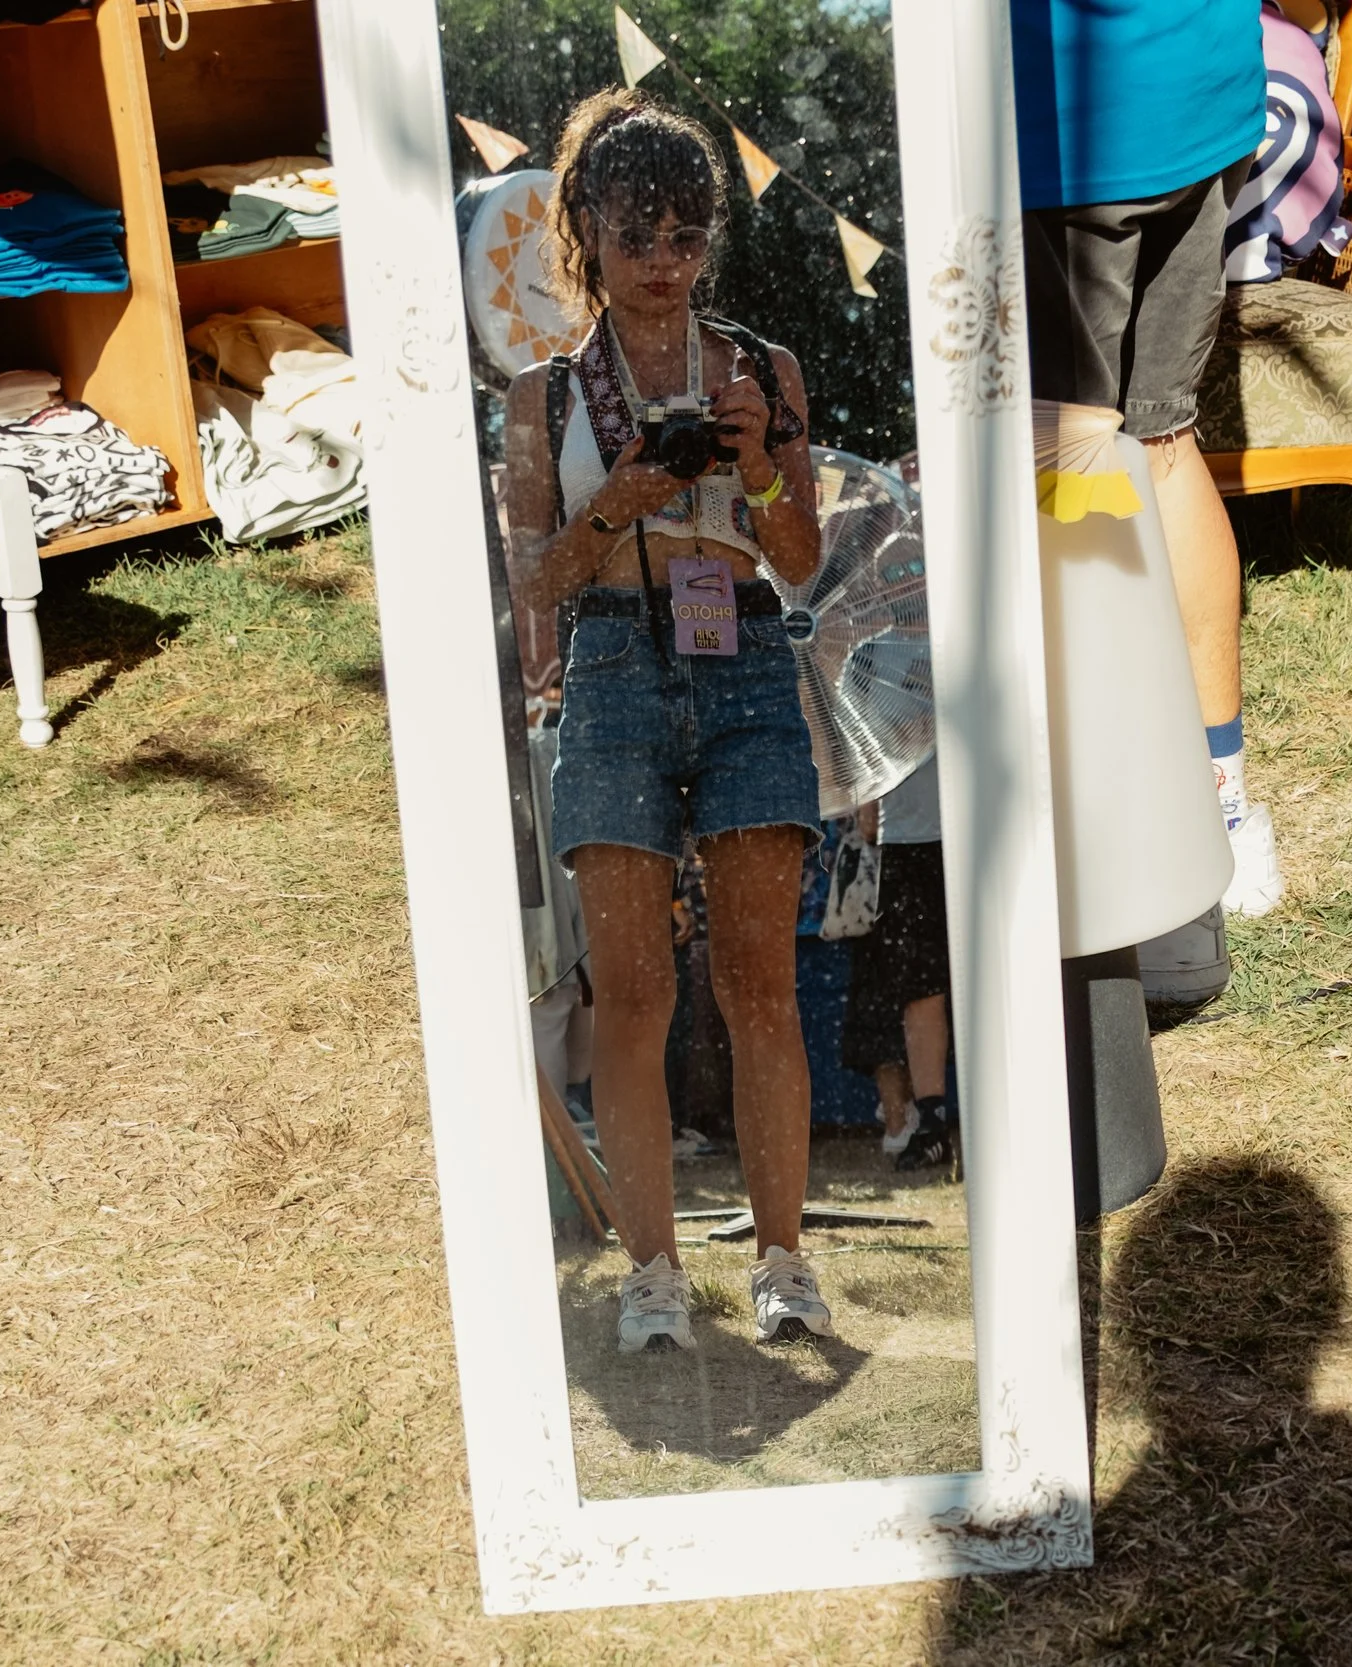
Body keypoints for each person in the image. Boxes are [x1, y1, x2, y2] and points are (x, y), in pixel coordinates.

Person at [504, 89, 834, 1354]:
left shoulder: (764, 369)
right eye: (639, 234)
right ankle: (653, 1271)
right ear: (587, 225)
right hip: (611, 667)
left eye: (688, 236)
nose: (664, 262)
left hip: (745, 657)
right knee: (633, 994)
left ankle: (782, 1260)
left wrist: (752, 465)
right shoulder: (541, 397)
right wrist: (623, 500)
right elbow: (530, 580)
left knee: (762, 985)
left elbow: (799, 559)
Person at [1012, 0, 1279, 963]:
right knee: (1163, 442)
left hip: (1076, 128)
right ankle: (1223, 810)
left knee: (1068, 464)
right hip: (1200, 89)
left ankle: (1121, 840)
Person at [839, 755, 955, 1172]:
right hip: (916, 834)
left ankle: (930, 1123)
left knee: (921, 988)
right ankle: (928, 1122)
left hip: (916, 834)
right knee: (921, 988)